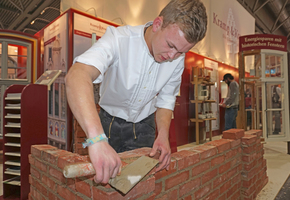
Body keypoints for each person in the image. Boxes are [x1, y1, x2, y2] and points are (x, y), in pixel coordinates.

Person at [65, 0, 207, 184]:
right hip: (108, 123)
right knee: (106, 182)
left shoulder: (176, 59)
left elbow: (166, 99)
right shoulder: (119, 39)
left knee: (135, 183)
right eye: (171, 45)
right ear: (157, 24)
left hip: (144, 126)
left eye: (181, 52)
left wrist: (163, 135)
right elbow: (76, 76)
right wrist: (97, 140)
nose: (172, 57)